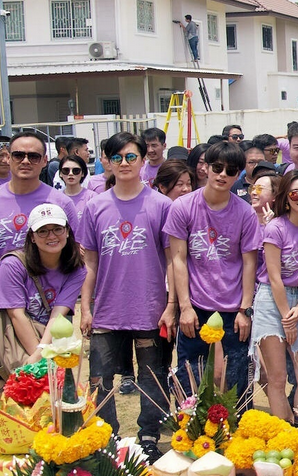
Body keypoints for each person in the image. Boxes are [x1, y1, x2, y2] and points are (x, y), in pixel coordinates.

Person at [79, 132, 176, 463]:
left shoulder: (161, 205)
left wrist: (172, 306)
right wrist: (85, 308)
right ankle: (107, 436)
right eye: (116, 157)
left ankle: (149, 435)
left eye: (130, 157)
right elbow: (89, 264)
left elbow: (174, 261)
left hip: (150, 308)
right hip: (106, 310)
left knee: (153, 376)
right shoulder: (94, 207)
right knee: (100, 379)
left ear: (143, 159)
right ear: (106, 160)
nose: (124, 163)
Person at [168, 141, 260, 409]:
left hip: (233, 310)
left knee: (236, 384)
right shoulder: (183, 207)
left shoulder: (245, 213)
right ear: (205, 167)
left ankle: (238, 441)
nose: (222, 175)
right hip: (195, 308)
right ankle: (191, 437)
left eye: (231, 171)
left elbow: (249, 264)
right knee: (190, 382)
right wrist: (183, 307)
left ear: (238, 175)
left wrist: (245, 309)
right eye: (217, 167)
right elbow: (177, 259)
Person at [0, 132, 78, 340]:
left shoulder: (61, 203)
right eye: (19, 155)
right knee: (3, 370)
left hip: (51, 307)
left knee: (52, 372)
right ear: (8, 158)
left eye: (34, 156)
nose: (26, 161)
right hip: (3, 304)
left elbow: (75, 252)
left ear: (45, 161)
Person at [251, 172, 298, 424]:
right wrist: (286, 318)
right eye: (295, 194)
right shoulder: (276, 227)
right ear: (286, 198)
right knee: (277, 377)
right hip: (272, 301)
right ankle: (285, 435)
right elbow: (274, 276)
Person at [0, 203, 86, 364]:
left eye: (57, 228)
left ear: (67, 231)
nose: (52, 236)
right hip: (5, 338)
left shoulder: (76, 270)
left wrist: (40, 354)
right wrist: (38, 359)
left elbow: (57, 315)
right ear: (32, 237)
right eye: (42, 231)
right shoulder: (12, 264)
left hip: (45, 339)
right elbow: (16, 314)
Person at [59, 155, 96, 222]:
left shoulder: (92, 197)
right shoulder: (56, 199)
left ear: (83, 173)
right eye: (66, 170)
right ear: (60, 173)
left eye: (76, 171)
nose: (70, 174)